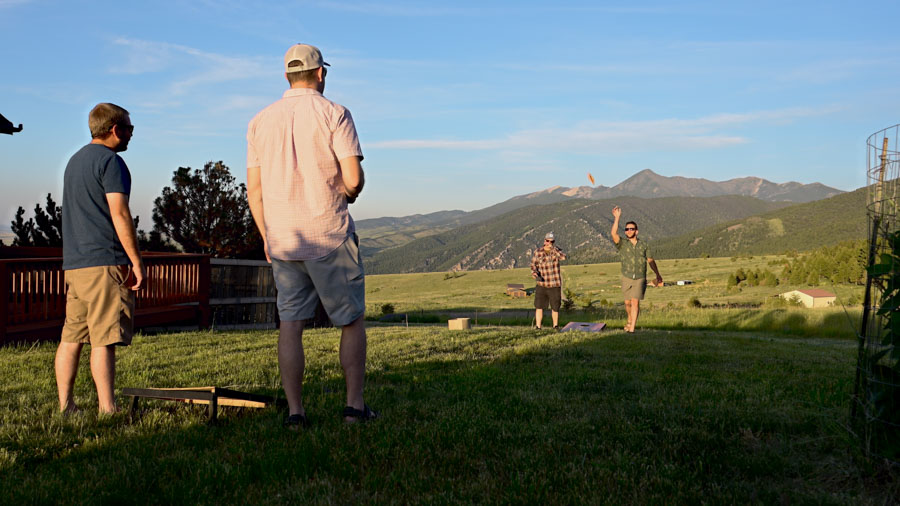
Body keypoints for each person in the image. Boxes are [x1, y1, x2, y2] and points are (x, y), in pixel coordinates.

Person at [246, 43, 375, 428]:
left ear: (286, 75)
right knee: (350, 321)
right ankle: (353, 407)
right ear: (321, 74)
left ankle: (296, 413)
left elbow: (254, 190)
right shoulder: (335, 113)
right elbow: (352, 178)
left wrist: (267, 236)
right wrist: (350, 191)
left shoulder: (259, 121)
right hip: (328, 235)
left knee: (291, 324)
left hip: (283, 238)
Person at [56, 103, 143, 414]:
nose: (133, 134)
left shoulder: (74, 162)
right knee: (103, 338)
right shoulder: (111, 162)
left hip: (75, 265)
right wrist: (135, 260)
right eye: (130, 129)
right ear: (115, 129)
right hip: (105, 262)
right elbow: (119, 213)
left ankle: (66, 406)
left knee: (72, 337)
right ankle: (108, 408)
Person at [611, 206, 662, 333]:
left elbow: (650, 260)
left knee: (635, 302)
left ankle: (632, 328)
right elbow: (613, 234)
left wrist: (657, 275)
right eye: (627, 229)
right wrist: (617, 218)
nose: (628, 231)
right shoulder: (622, 244)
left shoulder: (644, 245)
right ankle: (629, 318)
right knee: (627, 303)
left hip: (640, 277)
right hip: (626, 276)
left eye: (631, 229)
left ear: (636, 231)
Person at [530, 232, 566, 330]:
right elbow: (533, 265)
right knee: (539, 306)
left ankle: (555, 326)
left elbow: (563, 257)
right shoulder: (538, 252)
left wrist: (553, 249)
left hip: (554, 284)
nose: (549, 243)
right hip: (542, 284)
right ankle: (538, 326)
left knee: (555, 307)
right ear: (544, 240)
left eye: (551, 241)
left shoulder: (556, 251)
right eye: (547, 241)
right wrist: (534, 273)